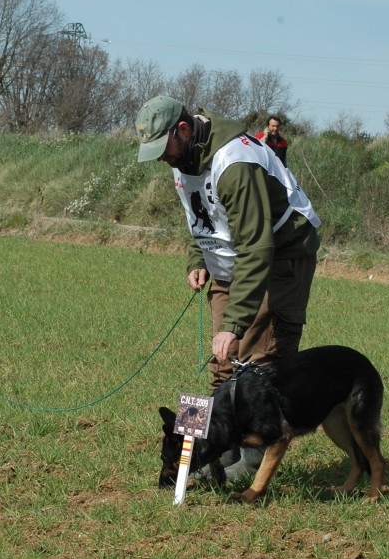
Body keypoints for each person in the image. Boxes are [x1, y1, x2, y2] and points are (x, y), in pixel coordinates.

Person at [135, 96, 321, 481]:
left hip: (279, 257)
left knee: (259, 366)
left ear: (183, 130)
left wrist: (233, 324)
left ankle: (253, 465)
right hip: (230, 259)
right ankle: (210, 457)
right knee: (221, 365)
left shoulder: (234, 162)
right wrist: (196, 259)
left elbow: (258, 245)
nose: (159, 159)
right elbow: (201, 214)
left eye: (161, 148)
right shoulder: (183, 159)